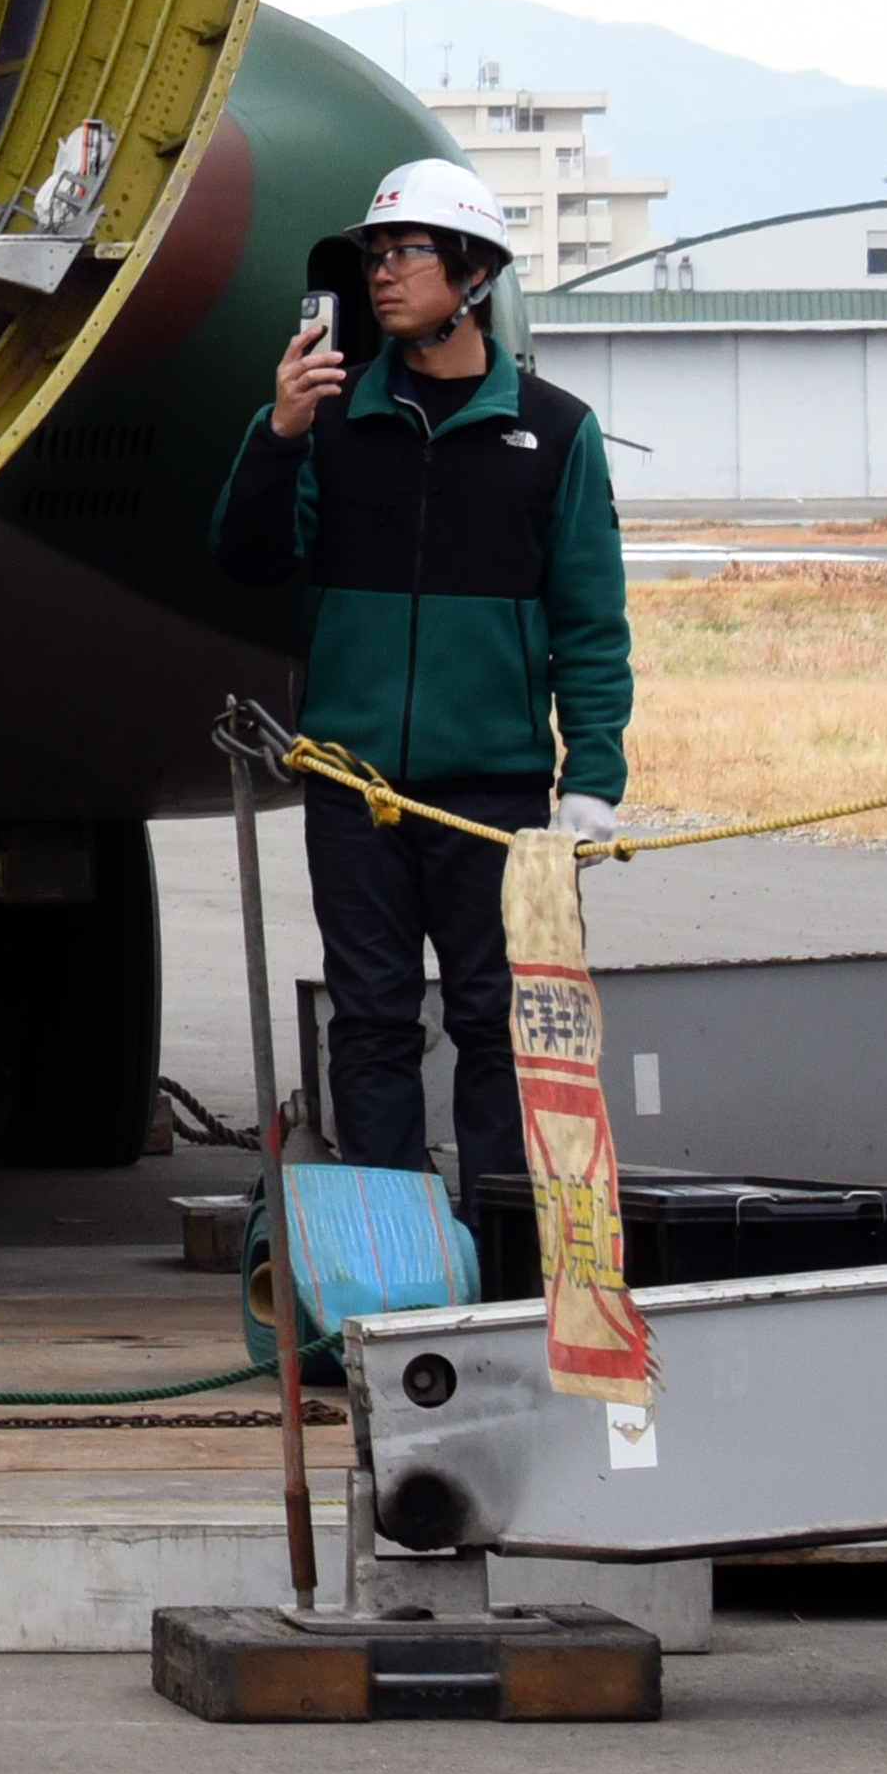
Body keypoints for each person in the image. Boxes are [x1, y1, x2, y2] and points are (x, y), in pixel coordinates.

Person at [215, 153, 634, 1209]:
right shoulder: (330, 420)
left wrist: (589, 777)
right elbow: (246, 556)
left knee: (498, 1018)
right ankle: (389, 1253)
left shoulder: (555, 432)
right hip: (352, 788)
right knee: (369, 1017)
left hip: (491, 794)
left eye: (403, 252)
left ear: (472, 272)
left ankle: (496, 1245)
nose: (381, 275)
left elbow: (590, 623)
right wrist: (277, 435)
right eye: (371, 255)